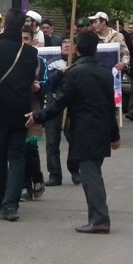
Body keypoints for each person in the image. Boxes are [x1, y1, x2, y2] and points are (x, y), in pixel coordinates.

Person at [26, 30, 121, 234]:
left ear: (77, 49)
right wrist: (115, 136)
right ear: (95, 49)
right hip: (101, 132)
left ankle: (100, 220)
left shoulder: (75, 73)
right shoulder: (105, 73)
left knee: (90, 178)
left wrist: (37, 116)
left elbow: (59, 103)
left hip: (85, 133)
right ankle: (98, 217)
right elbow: (109, 107)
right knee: (93, 174)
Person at [0, 8, 38, 222]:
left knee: (0, 155)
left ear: (4, 25)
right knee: (17, 156)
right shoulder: (31, 53)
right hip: (22, 110)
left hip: (0, 111)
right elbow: (30, 81)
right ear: (25, 24)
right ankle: (11, 205)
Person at [44, 38, 80, 186]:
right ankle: (54, 174)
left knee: (74, 139)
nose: (67, 45)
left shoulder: (79, 64)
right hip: (55, 105)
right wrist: (60, 74)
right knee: (52, 142)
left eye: (70, 42)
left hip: (73, 107)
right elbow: (48, 82)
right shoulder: (53, 63)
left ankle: (74, 170)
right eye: (64, 43)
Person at [20, 25, 49, 201]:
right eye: (20, 39)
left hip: (33, 106)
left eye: (26, 39)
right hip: (15, 106)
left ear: (32, 40)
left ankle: (36, 179)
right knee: (18, 148)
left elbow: (48, 84)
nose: (23, 43)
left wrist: (39, 87)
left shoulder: (40, 61)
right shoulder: (11, 60)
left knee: (30, 147)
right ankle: (24, 185)